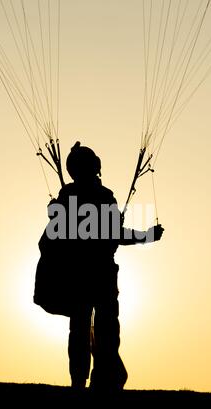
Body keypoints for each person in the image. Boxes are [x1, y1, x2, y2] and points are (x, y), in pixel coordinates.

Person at [34, 142, 164, 391]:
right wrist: (147, 235)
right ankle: (98, 379)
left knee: (81, 328)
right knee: (102, 329)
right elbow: (115, 235)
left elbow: (57, 238)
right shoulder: (103, 197)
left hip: (81, 276)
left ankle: (82, 381)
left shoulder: (68, 197)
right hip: (99, 275)